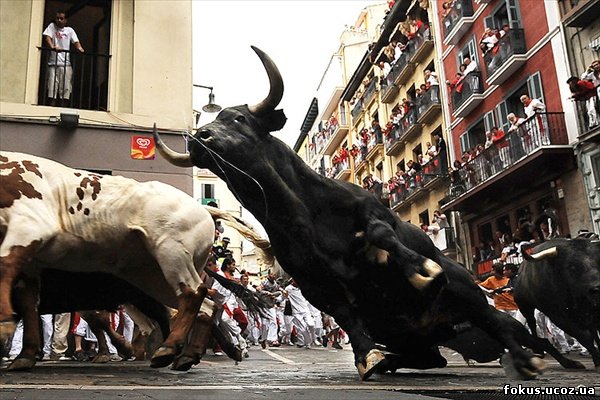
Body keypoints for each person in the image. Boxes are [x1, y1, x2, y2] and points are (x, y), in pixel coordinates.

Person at [42, 11, 84, 106]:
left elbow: (76, 41)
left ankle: (64, 105)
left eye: (61, 18)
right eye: (57, 18)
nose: (59, 20)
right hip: (53, 63)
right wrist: (53, 47)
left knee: (66, 86)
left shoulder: (69, 30)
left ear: (66, 20)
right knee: (52, 85)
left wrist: (80, 48)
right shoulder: (52, 27)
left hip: (66, 64)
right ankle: (52, 104)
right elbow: (47, 37)